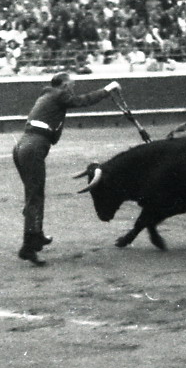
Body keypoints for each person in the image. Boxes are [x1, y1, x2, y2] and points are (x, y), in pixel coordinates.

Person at [13, 73, 121, 266]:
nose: (73, 89)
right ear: (62, 85)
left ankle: (36, 235)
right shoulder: (59, 95)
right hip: (33, 147)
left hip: (24, 145)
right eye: (71, 85)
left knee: (34, 196)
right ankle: (28, 247)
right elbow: (83, 101)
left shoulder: (46, 95)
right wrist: (107, 89)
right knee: (35, 197)